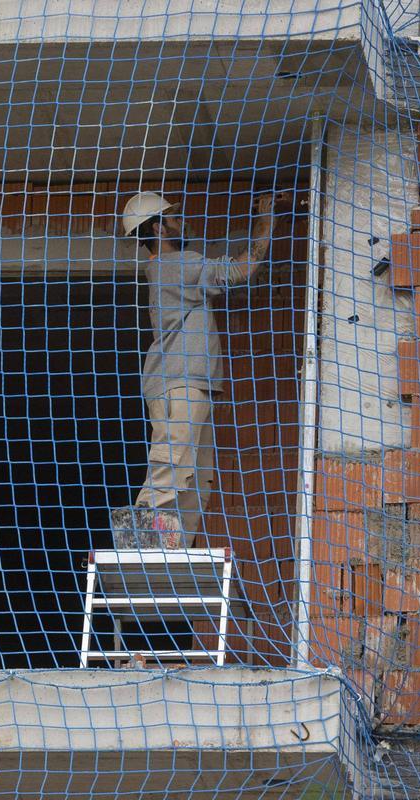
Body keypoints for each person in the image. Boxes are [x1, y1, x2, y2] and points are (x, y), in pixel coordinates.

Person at [113, 190, 280, 548]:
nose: (181, 222)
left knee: (197, 477)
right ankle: (138, 543)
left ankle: (173, 552)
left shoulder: (169, 268)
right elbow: (239, 270)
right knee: (172, 462)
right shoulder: (177, 264)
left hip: (189, 384)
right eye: (173, 219)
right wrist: (266, 221)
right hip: (179, 382)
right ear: (158, 229)